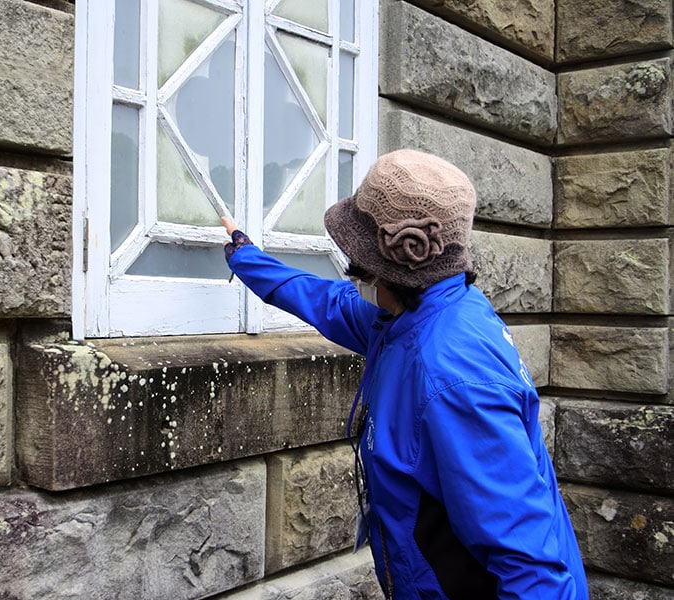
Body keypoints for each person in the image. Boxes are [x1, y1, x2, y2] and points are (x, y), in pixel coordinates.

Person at [222, 149, 589, 599]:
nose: (349, 269)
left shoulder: (452, 378)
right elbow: (327, 301)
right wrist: (248, 259)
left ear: (383, 267)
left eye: (353, 256)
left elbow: (531, 569)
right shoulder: (415, 314)